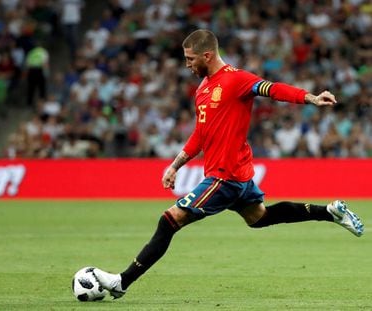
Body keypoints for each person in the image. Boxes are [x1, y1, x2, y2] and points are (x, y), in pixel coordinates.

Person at [91, 29, 364, 299]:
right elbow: (200, 134)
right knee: (260, 218)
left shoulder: (237, 80)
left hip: (225, 176)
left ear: (207, 55)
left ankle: (121, 281)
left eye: (190, 59)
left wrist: (311, 97)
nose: (187, 65)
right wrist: (176, 165)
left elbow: (272, 89)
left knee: (169, 220)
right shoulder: (202, 90)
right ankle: (330, 212)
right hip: (238, 177)